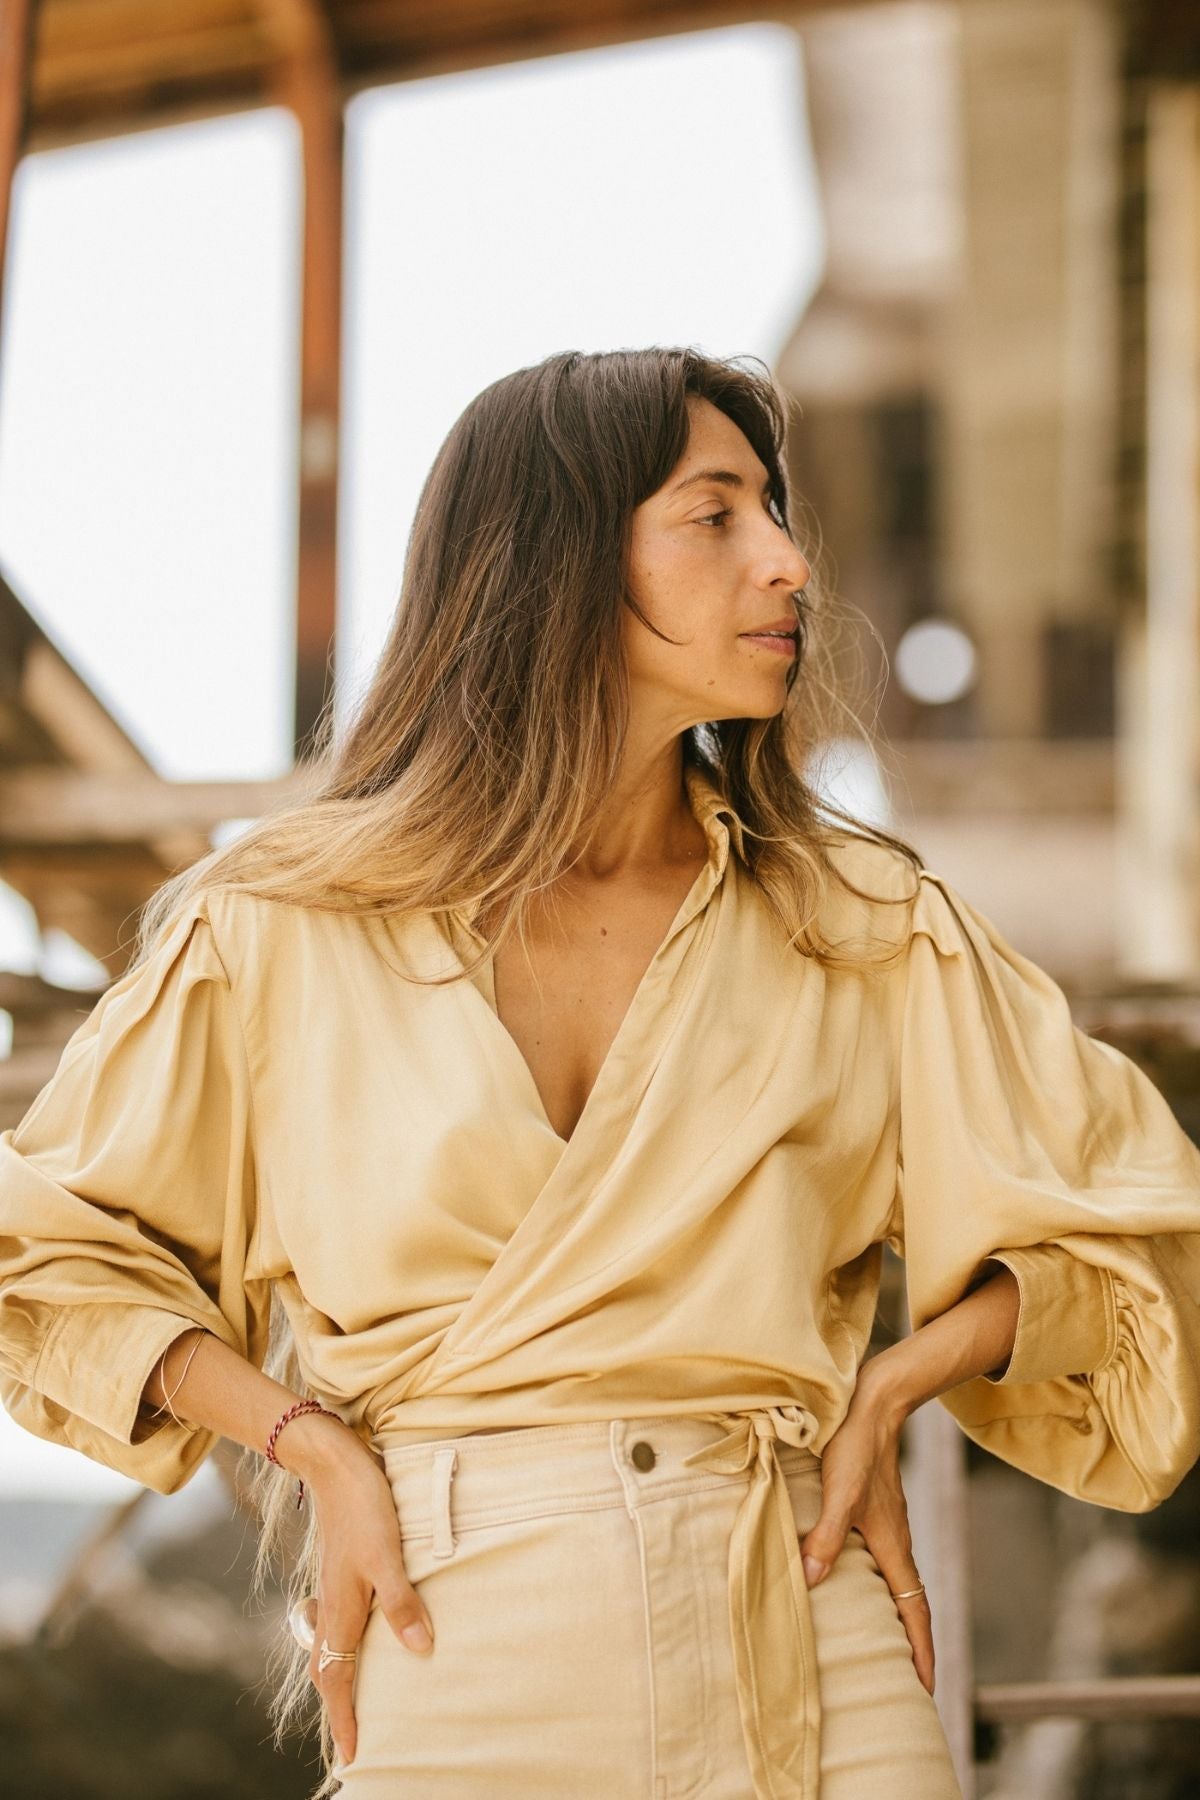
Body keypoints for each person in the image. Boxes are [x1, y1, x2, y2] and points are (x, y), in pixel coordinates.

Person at [1, 347, 1199, 1800]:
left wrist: (898, 1382)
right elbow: (45, 1265)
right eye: (718, 517)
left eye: (776, 510)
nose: (790, 561)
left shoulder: (863, 928)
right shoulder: (278, 929)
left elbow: (1140, 1228)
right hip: (459, 1649)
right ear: (556, 563)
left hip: (812, 1643)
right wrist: (303, 1439)